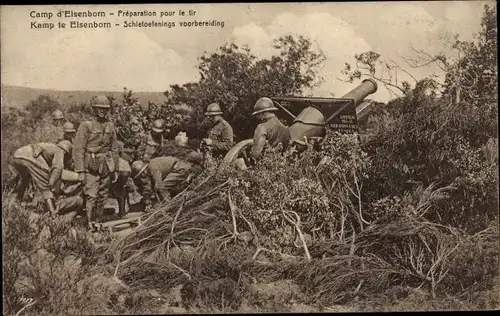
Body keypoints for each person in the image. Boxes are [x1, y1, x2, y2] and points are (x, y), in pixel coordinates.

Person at [73, 95, 120, 229]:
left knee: (103, 195)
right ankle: (89, 223)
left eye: (105, 109)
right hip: (91, 164)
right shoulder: (86, 125)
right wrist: (80, 171)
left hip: (106, 164)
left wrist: (115, 169)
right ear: (94, 109)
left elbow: (115, 148)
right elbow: (78, 149)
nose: (102, 111)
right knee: (91, 195)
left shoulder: (110, 125)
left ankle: (98, 221)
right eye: (99, 108)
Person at [131, 133, 204, 207]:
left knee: (162, 187)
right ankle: (166, 204)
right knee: (160, 187)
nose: (142, 177)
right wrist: (148, 201)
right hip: (178, 169)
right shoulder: (150, 167)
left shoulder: (152, 168)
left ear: (143, 171)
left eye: (141, 174)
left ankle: (169, 206)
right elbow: (148, 186)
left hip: (180, 169)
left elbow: (159, 185)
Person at [10, 140, 74, 216]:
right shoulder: (60, 150)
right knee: (45, 184)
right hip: (29, 157)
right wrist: (51, 183)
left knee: (24, 181)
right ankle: (53, 213)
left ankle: (12, 203)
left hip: (17, 155)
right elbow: (58, 167)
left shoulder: (50, 147)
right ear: (66, 152)